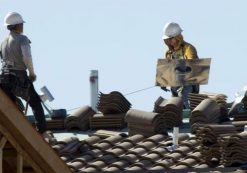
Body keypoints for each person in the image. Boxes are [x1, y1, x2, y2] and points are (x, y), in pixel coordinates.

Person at [0, 12, 48, 136]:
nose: (22, 26)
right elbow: (27, 57)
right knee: (35, 102)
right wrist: (32, 73)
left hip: (4, 78)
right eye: (21, 24)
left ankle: (12, 131)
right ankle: (42, 132)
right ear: (17, 25)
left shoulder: (3, 42)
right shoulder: (22, 39)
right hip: (18, 76)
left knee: (12, 107)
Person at [161, 22, 199, 109]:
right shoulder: (169, 53)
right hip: (175, 85)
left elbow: (192, 64)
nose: (169, 42)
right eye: (168, 40)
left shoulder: (188, 49)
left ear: (178, 37)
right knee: (175, 106)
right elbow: (168, 69)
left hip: (188, 84)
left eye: (171, 39)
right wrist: (163, 81)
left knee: (185, 103)